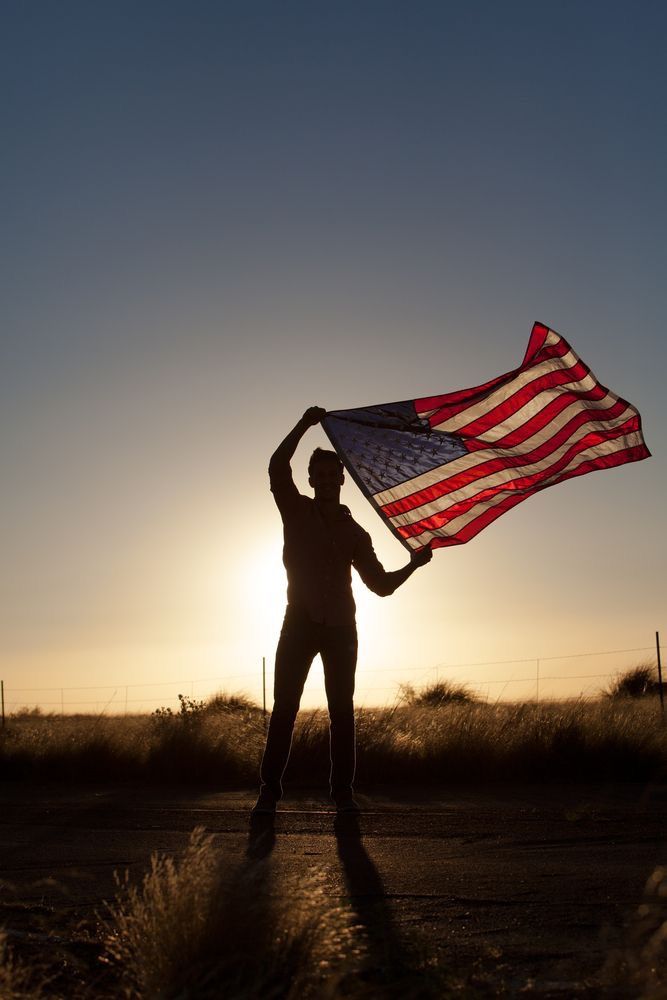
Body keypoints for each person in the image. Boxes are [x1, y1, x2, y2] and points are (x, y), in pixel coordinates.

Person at [253, 406, 432, 816]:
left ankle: (343, 795)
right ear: (313, 479)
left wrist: (413, 565)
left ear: (342, 479)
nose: (329, 479)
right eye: (321, 474)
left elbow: (381, 586)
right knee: (285, 709)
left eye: (335, 474)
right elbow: (277, 466)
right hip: (298, 623)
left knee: (342, 713)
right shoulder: (295, 511)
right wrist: (302, 424)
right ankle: (269, 792)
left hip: (340, 630)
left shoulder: (355, 533)